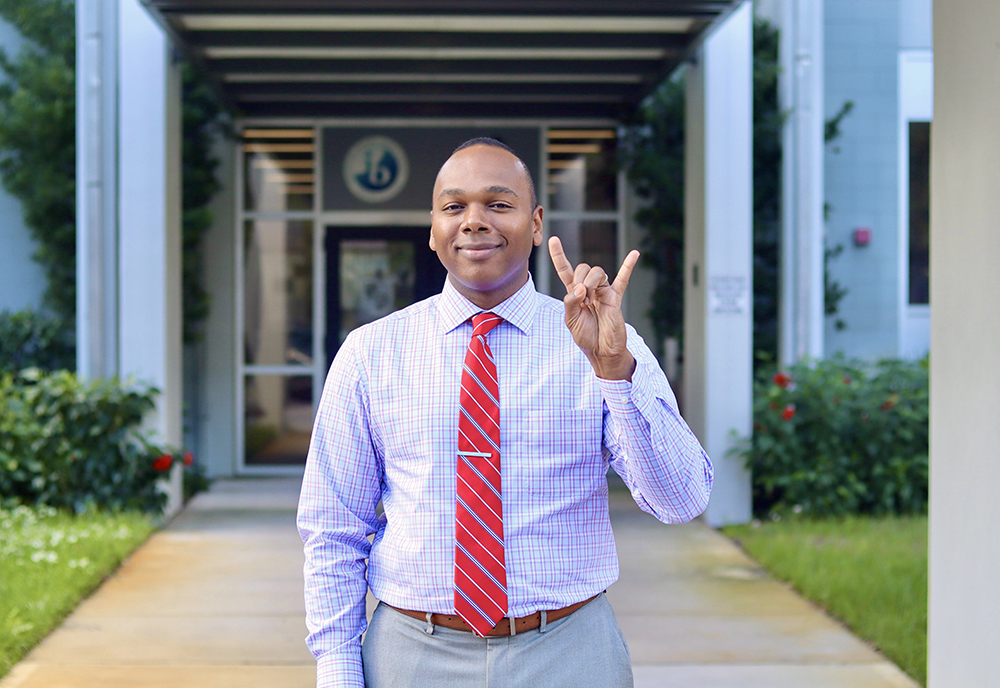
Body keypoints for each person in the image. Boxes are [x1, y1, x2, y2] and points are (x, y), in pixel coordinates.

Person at [297, 137, 713, 687]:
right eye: (454, 207)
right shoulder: (370, 352)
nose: (473, 221)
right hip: (410, 654)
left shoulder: (606, 344)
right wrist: (338, 668)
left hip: (569, 651)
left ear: (536, 224)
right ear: (433, 228)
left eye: (497, 204)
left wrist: (615, 372)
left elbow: (681, 500)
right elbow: (334, 527)